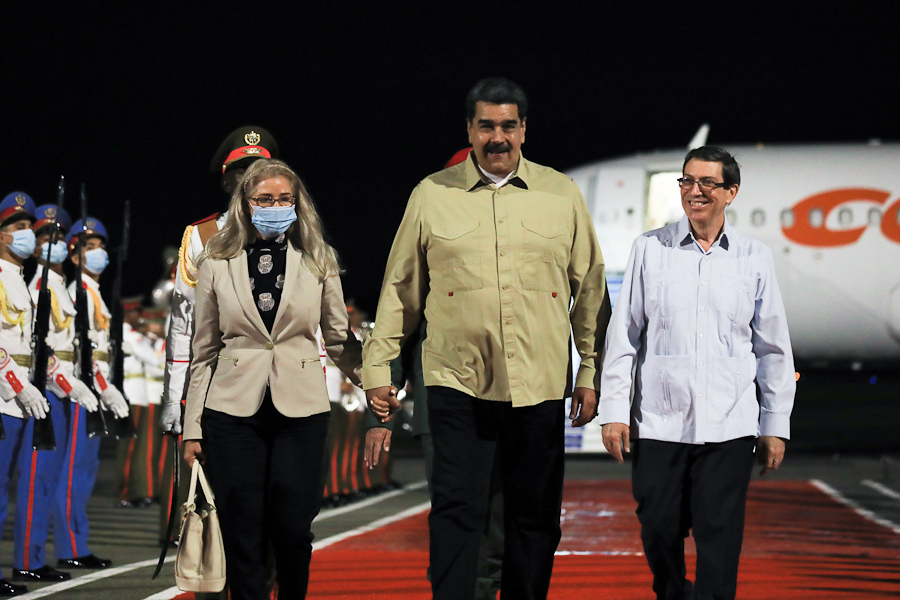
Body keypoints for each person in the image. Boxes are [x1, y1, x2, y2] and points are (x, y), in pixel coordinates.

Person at [363, 78, 611, 600]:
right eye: (486, 126)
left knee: (536, 516)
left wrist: (590, 371)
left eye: (507, 126)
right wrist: (380, 370)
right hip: (457, 382)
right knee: (456, 512)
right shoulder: (432, 194)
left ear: (524, 130)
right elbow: (400, 289)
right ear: (469, 130)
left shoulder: (559, 194)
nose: (497, 137)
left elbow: (589, 289)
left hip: (539, 384)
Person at [599, 146, 796, 600]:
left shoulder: (753, 257)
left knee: (719, 534)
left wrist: (774, 425)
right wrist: (614, 412)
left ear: (731, 192)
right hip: (661, 422)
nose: (696, 191)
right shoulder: (650, 249)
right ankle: (671, 592)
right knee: (657, 525)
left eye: (708, 183)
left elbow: (772, 347)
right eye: (687, 181)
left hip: (729, 424)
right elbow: (624, 337)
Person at [182, 158, 362, 600]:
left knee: (293, 529)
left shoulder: (319, 259)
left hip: (300, 409)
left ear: (299, 204)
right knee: (243, 530)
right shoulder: (215, 261)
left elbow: (339, 340)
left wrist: (377, 383)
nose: (276, 206)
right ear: (245, 203)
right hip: (232, 410)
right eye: (265, 198)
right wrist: (191, 427)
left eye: (285, 198)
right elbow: (203, 352)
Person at [364, 147, 504, 600]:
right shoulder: (427, 255)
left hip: (510, 407)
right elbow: (397, 330)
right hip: (441, 409)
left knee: (501, 524)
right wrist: (379, 416)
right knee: (454, 519)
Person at [160, 125, 279, 435]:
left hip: (281, 384)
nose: (252, 178)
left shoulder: (292, 235)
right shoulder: (202, 236)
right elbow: (184, 322)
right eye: (242, 171)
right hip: (221, 383)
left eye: (261, 170)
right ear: (227, 180)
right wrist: (174, 396)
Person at [14, 204, 102, 585]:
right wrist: (67, 383)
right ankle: (30, 558)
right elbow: (41, 348)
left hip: (58, 388)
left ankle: (36, 556)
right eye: (46, 236)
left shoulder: (58, 288)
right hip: (39, 389)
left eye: (57, 237)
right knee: (38, 479)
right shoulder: (39, 288)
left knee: (51, 478)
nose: (53, 243)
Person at [57, 216, 130, 569]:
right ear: (75, 257)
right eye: (90, 248)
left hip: (98, 389)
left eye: (101, 247)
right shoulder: (77, 295)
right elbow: (82, 351)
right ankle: (71, 548)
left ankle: (77, 542)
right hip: (83, 390)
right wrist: (104, 388)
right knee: (73, 472)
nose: (98, 253)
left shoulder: (95, 293)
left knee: (85, 471)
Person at [0, 193, 53, 596]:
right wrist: (18, 385)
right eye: (16, 228)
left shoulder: (20, 279)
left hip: (21, 397)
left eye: (27, 229)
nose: (25, 235)